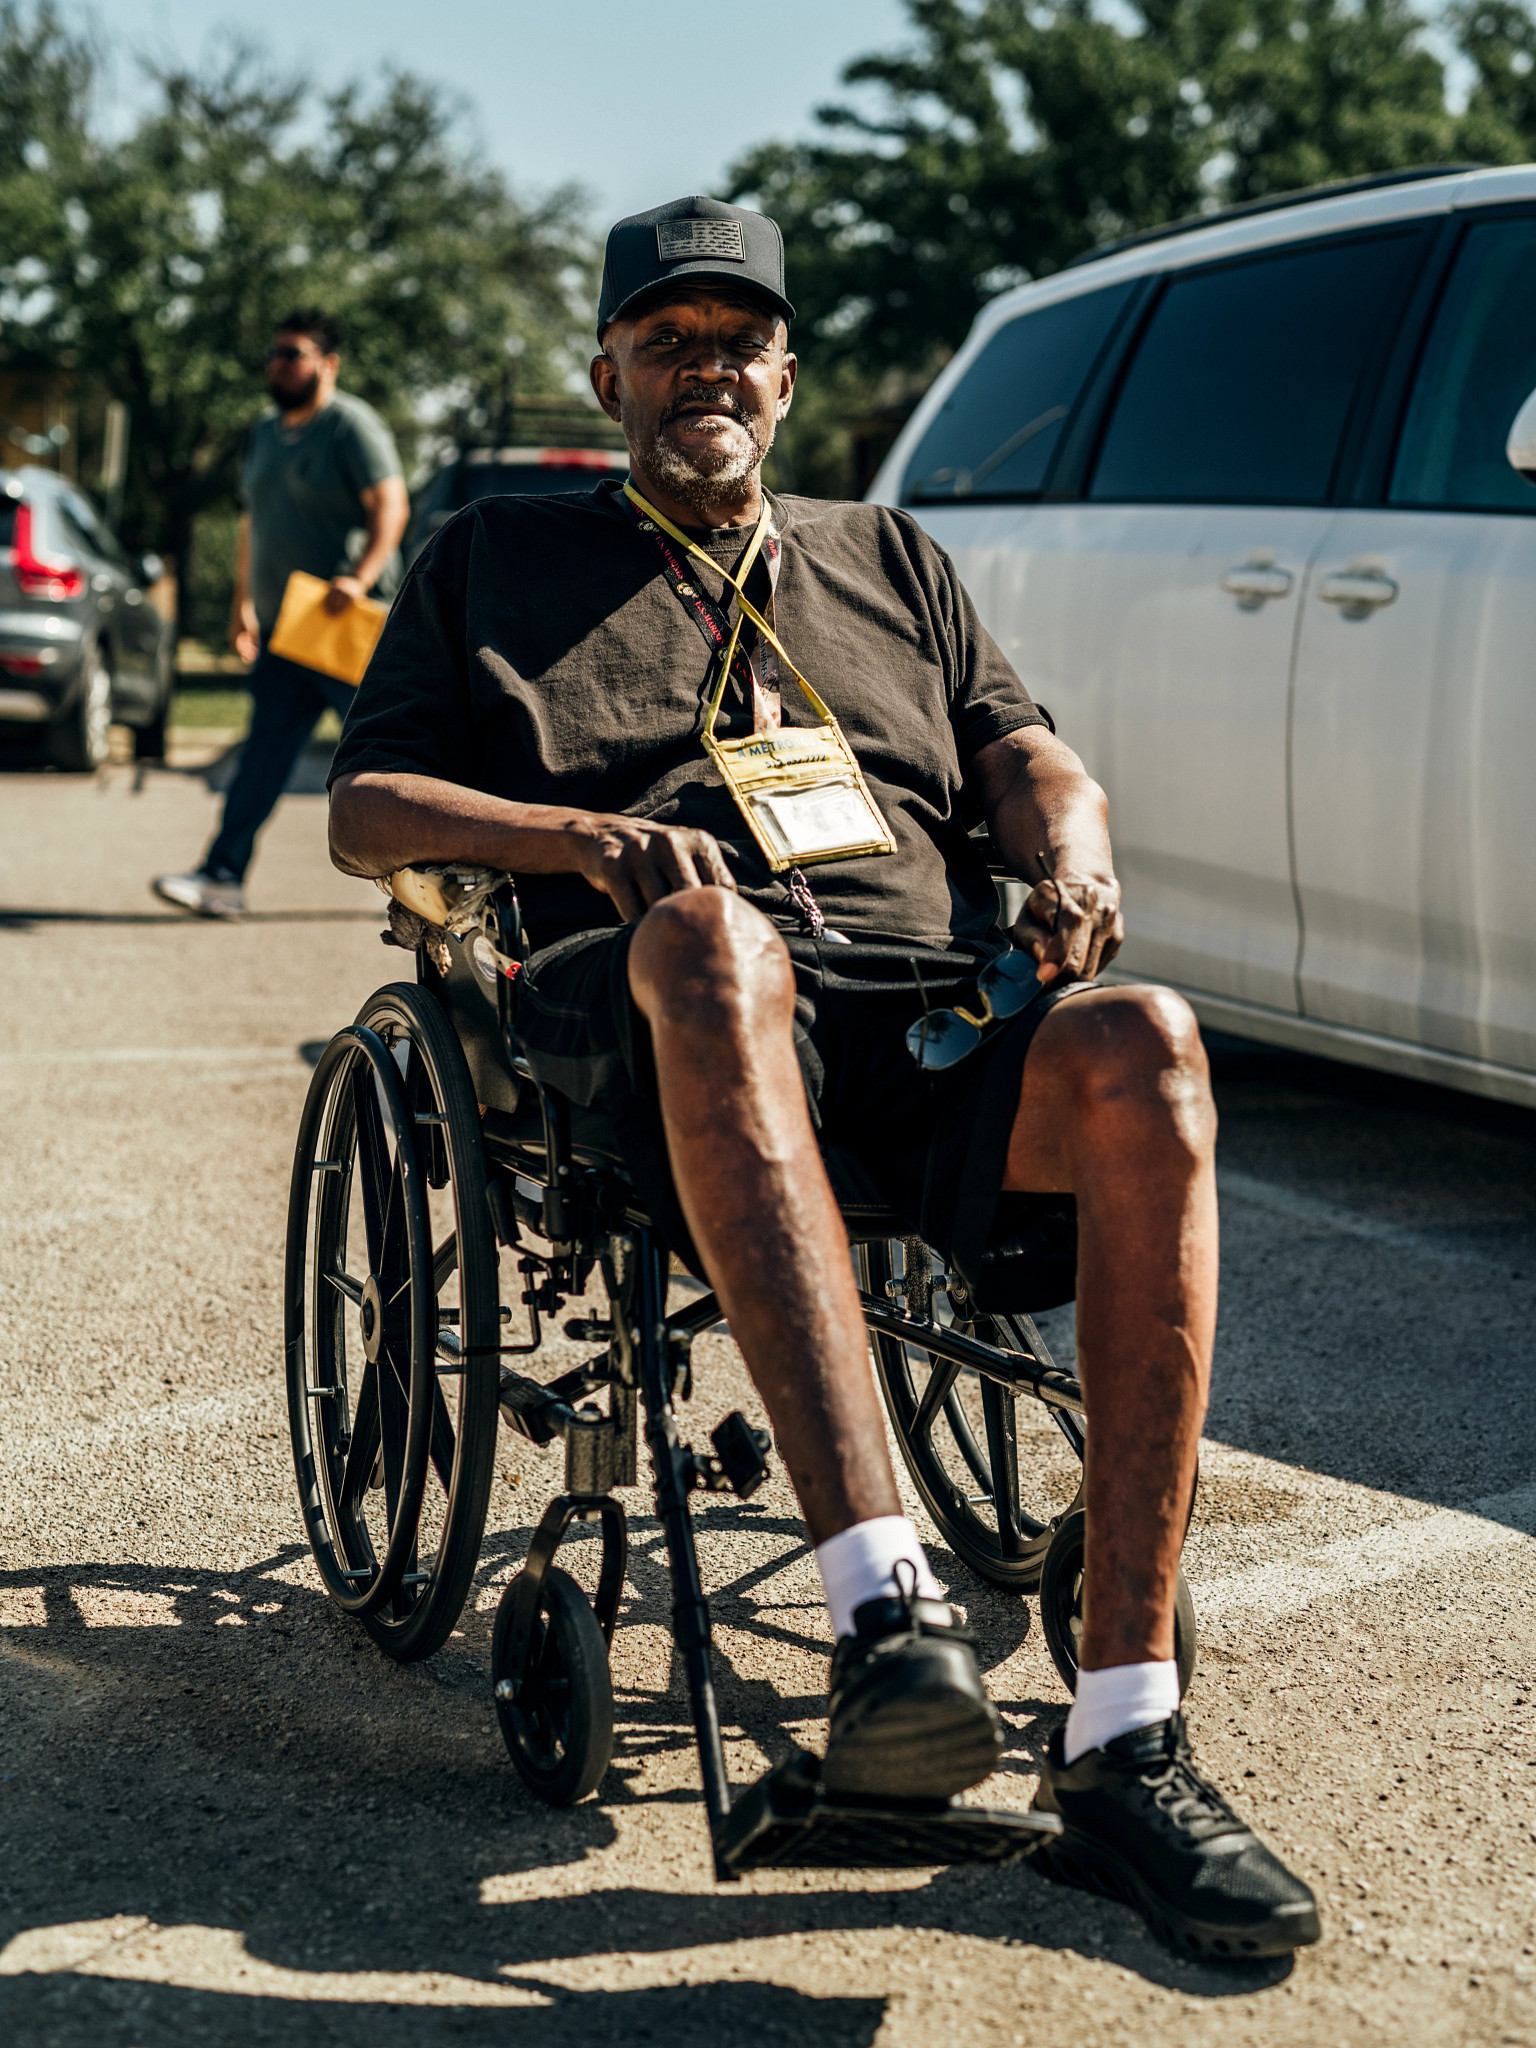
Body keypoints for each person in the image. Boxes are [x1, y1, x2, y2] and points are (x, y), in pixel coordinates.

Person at [325, 196, 1320, 1958]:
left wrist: (1074, 866)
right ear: (608, 370)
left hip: (930, 1013)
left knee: (1147, 1043)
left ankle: (1126, 1739)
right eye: (667, 339)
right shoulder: (494, 549)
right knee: (719, 944)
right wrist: (580, 832)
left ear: (784, 376)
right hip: (649, 1014)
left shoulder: (890, 556)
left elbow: (1032, 759)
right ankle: (887, 1615)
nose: (703, 367)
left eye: (736, 340)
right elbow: (367, 809)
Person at [154, 309, 409, 919]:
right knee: (262, 755)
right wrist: (243, 606)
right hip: (284, 629)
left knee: (388, 757)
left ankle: (436, 884)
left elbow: (392, 507)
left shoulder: (350, 426)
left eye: (292, 354)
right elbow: (253, 524)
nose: (278, 364)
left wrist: (359, 576)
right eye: (274, 354)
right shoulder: (266, 431)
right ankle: (221, 876)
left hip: (343, 624)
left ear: (328, 364)